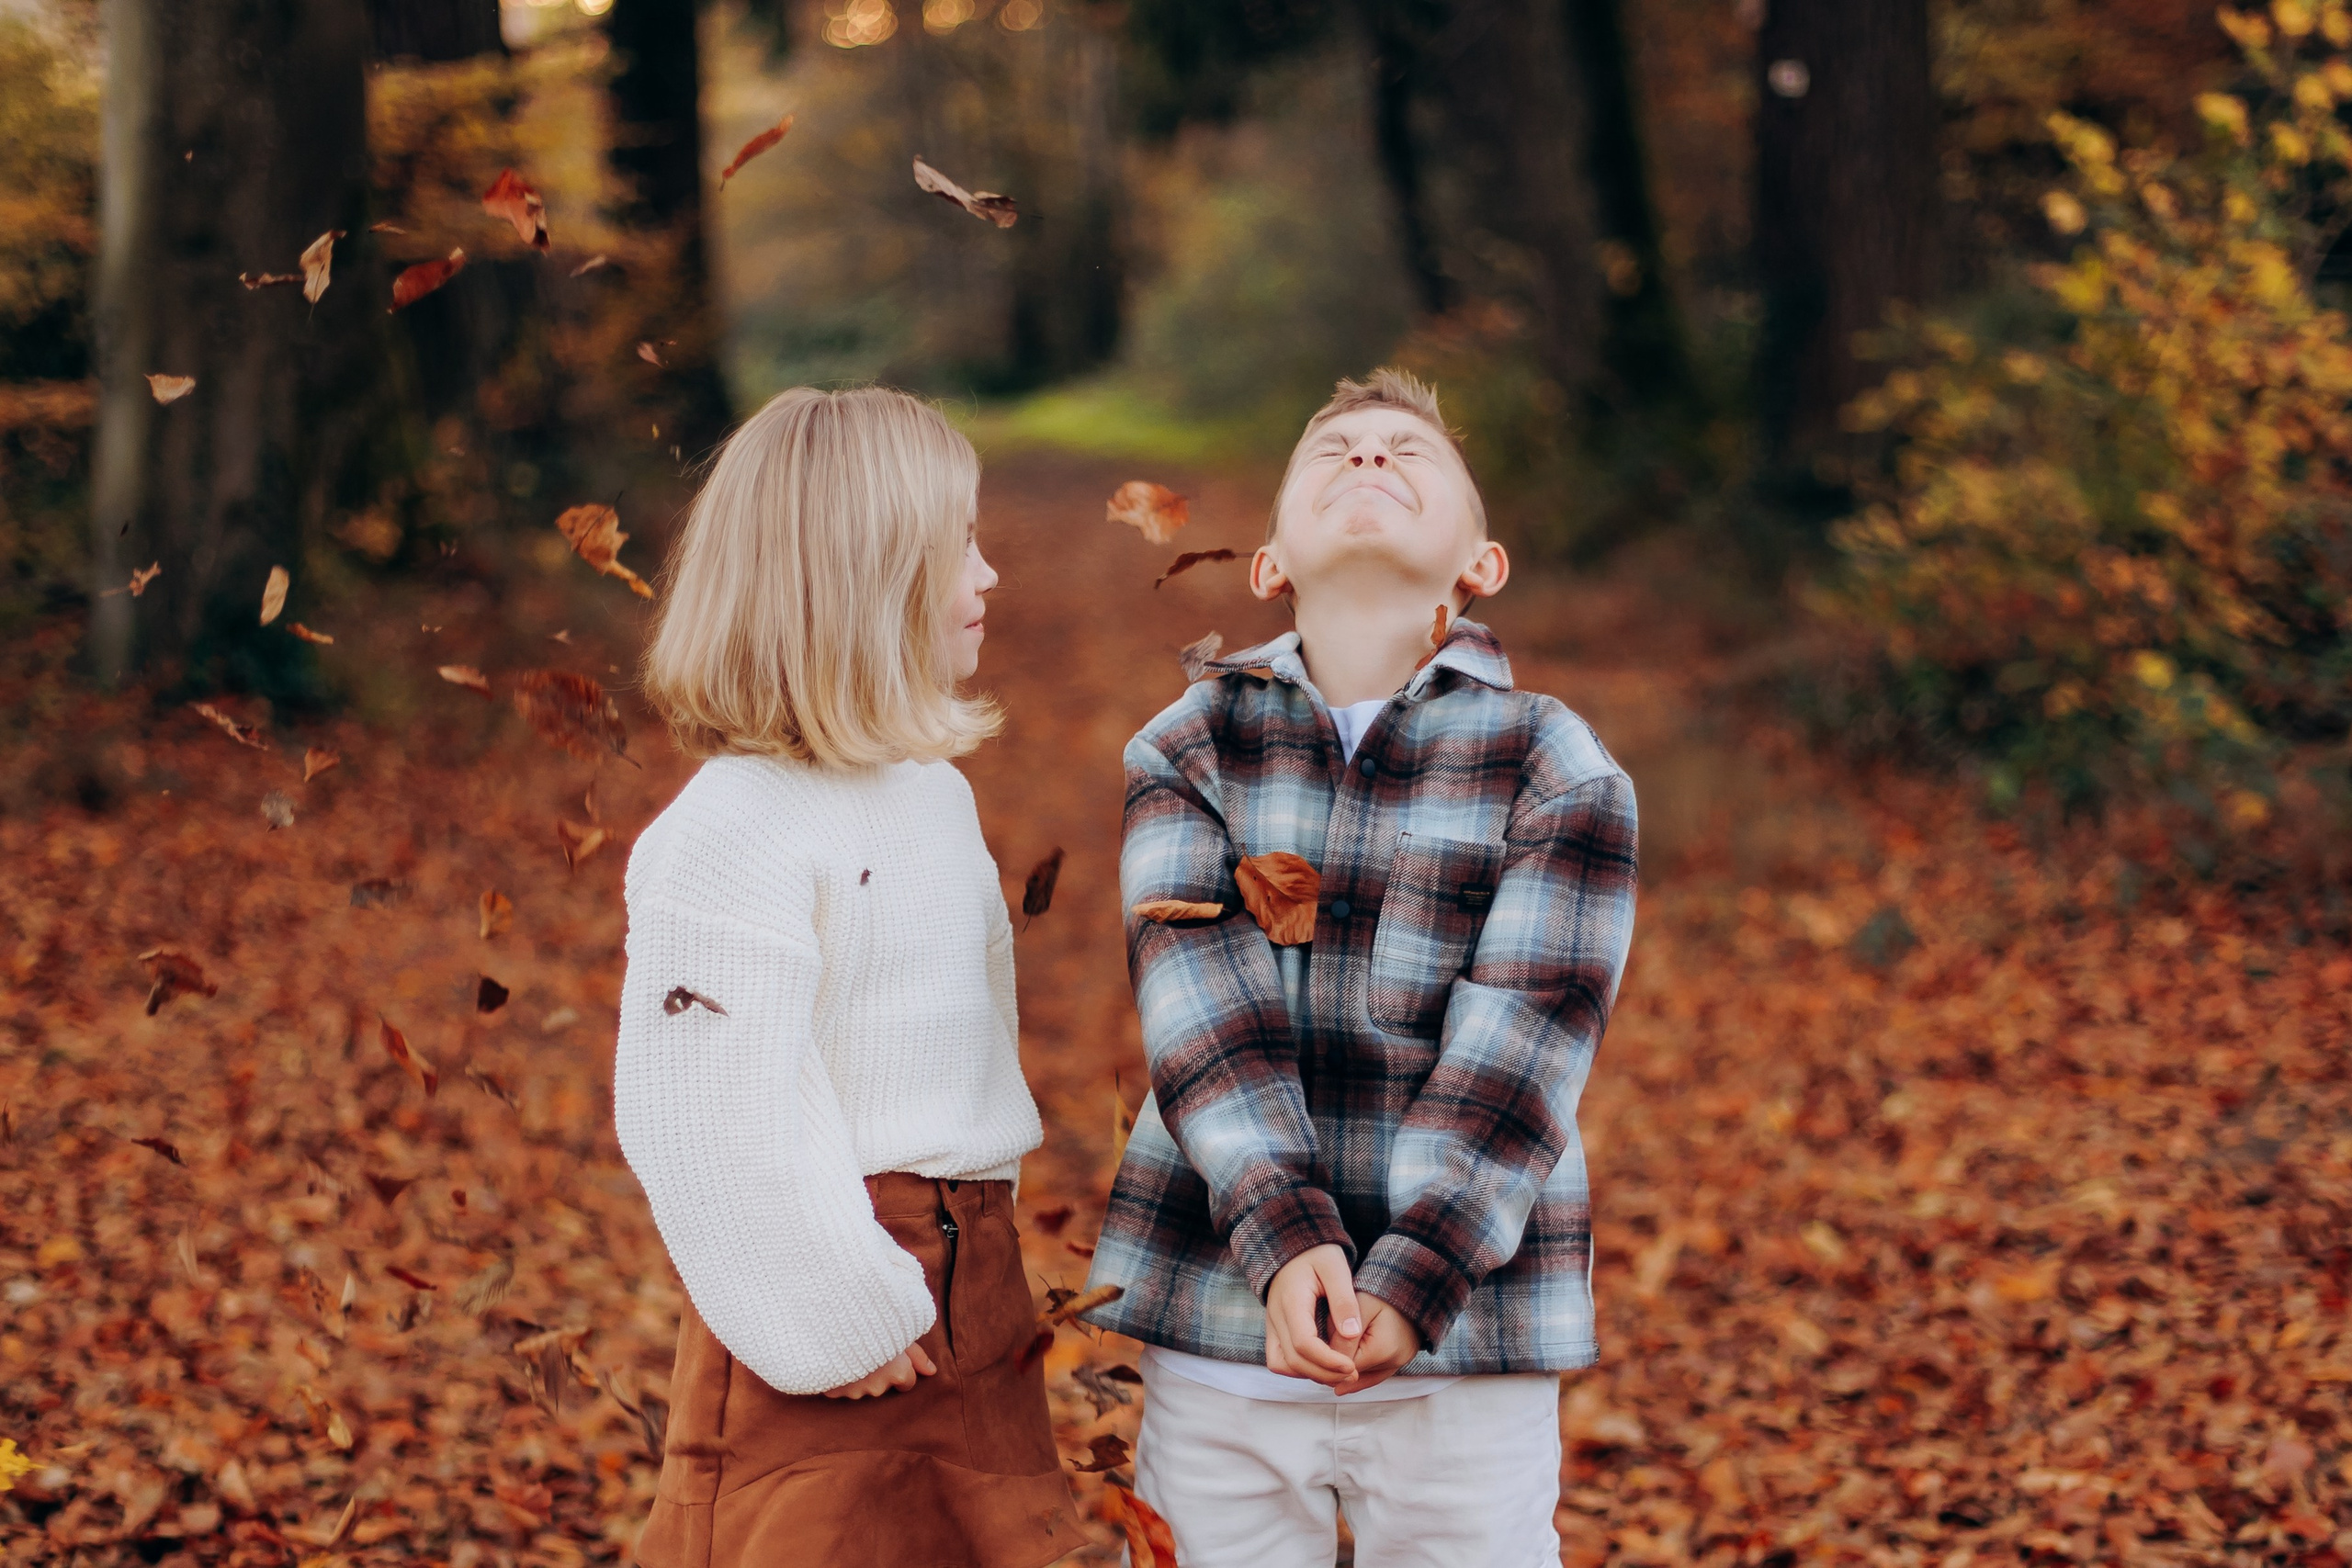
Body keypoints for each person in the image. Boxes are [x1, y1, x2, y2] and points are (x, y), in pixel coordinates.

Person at [1081, 368, 1640, 1566]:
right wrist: (1285, 1233)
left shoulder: (1556, 763)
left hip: (1468, 1325)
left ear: (1480, 563)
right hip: (1224, 1301)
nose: (1371, 461)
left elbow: (1527, 1042)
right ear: (1271, 560)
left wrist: (1422, 1261)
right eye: (1334, 452)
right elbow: (1201, 1013)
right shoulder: (1190, 741)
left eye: (1406, 452)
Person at [614, 387, 1076, 1568]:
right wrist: (829, 1309)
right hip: (834, 1290)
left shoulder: (930, 793)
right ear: (859, 579)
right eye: (955, 548)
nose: (987, 579)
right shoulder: (736, 826)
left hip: (972, 1281)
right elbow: (707, 1109)